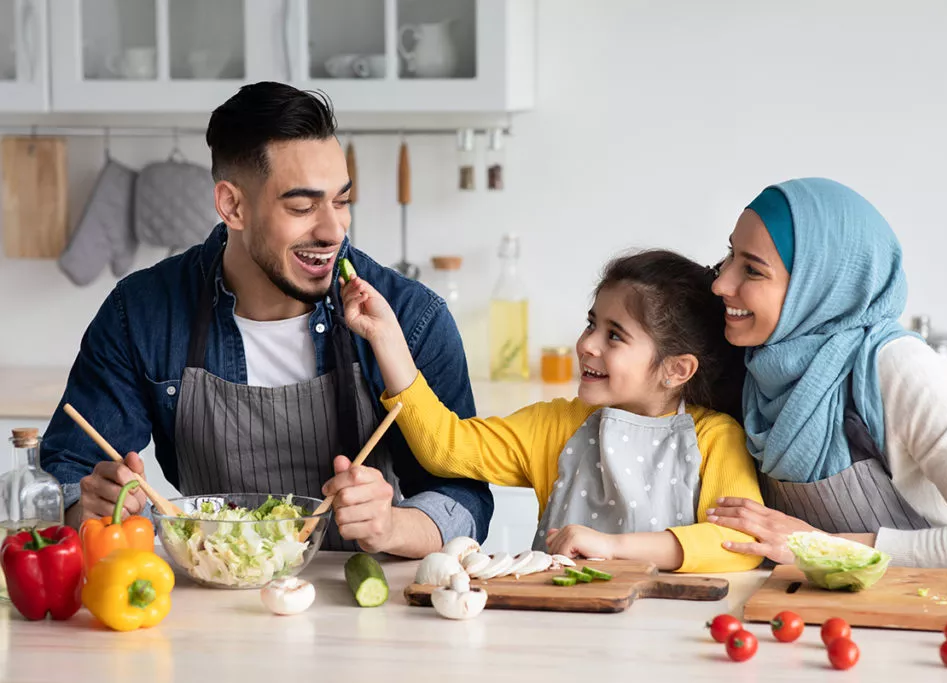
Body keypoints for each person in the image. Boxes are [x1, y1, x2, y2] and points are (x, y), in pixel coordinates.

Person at [40, 82, 493, 557]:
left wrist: (394, 527)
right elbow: (68, 473)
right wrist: (87, 505)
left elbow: (464, 495)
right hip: (209, 594)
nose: (333, 230)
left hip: (360, 601)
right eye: (302, 207)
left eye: (341, 201)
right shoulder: (142, 311)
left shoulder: (411, 317)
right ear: (232, 206)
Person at [340, 249, 763, 572]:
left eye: (614, 336)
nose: (587, 344)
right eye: (591, 323)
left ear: (676, 369)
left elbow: (737, 542)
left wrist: (614, 547)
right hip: (557, 628)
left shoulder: (714, 438)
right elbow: (445, 447)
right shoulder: (557, 424)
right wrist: (388, 340)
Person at [708, 177, 947, 568]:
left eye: (752, 270)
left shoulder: (898, 367)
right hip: (803, 607)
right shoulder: (756, 364)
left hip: (914, 614)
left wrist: (821, 547)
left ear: (822, 283)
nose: (721, 282)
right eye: (730, 254)